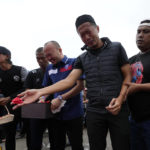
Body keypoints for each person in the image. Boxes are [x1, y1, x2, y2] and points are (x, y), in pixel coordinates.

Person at [14, 15, 131, 150]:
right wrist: (40, 92)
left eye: (89, 32)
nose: (86, 37)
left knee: (122, 145)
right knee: (96, 146)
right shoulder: (82, 58)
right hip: (93, 111)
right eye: (82, 35)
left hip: (116, 108)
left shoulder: (117, 48)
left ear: (97, 29)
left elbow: (128, 76)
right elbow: (69, 81)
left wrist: (121, 98)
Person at [41, 41, 84, 150]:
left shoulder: (74, 62)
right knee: (57, 145)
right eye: (46, 56)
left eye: (50, 54)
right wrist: (41, 99)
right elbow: (46, 89)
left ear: (59, 50)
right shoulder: (49, 68)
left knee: (77, 145)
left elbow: (80, 86)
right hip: (56, 114)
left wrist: (61, 98)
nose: (49, 58)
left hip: (74, 113)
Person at [24, 47, 55, 150]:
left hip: (53, 107)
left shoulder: (55, 71)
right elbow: (27, 92)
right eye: (38, 58)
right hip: (35, 109)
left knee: (55, 138)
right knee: (35, 139)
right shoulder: (32, 74)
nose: (40, 61)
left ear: (48, 57)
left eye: (42, 58)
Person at [126, 19, 150, 150]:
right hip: (133, 119)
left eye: (146, 32)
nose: (140, 35)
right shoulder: (130, 60)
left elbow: (134, 86)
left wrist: (138, 87)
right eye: (138, 32)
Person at [0, 46, 28, 150]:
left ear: (7, 56)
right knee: (9, 134)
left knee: (30, 132)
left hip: (24, 105)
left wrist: (10, 97)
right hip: (8, 109)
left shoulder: (21, 70)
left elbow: (26, 88)